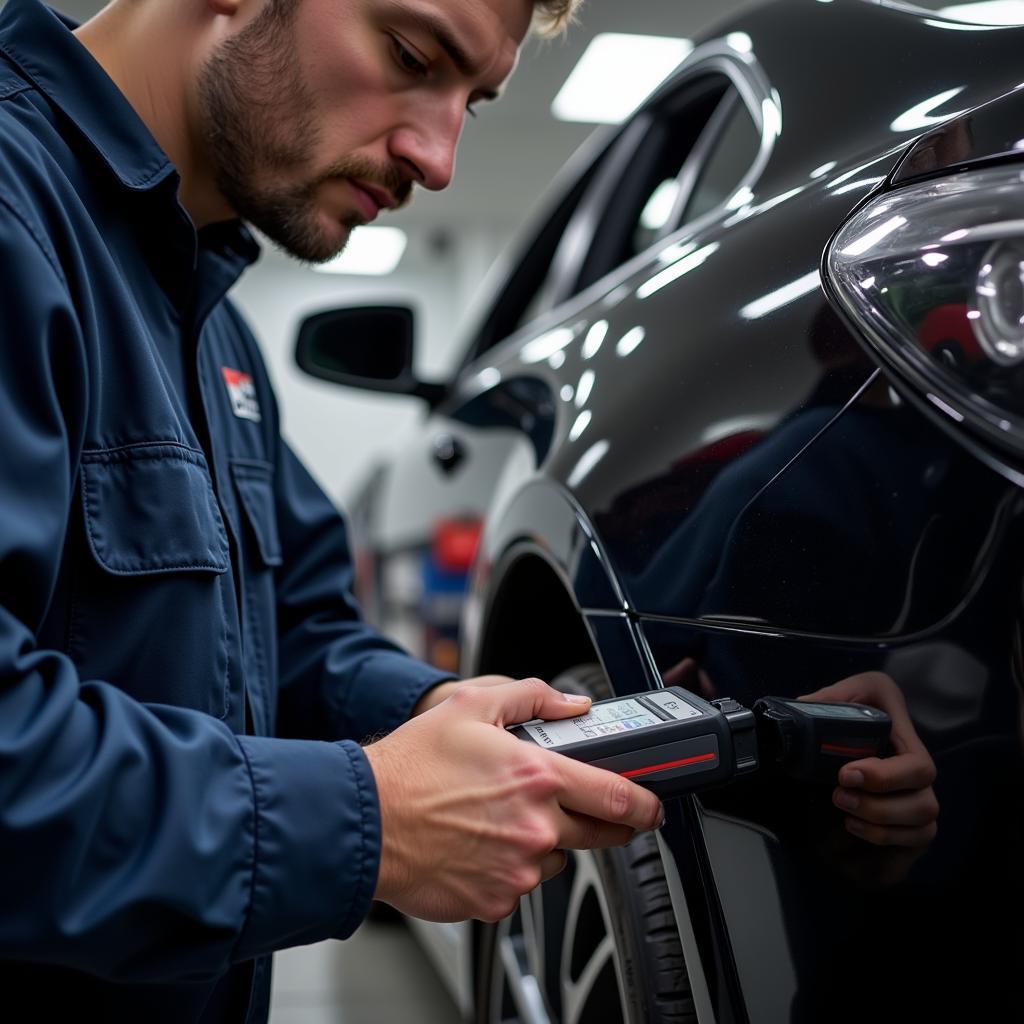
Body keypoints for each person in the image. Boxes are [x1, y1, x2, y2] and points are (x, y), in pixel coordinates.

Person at [0, 1, 936, 1022]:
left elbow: (295, 642)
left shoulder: (213, 331)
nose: (437, 158)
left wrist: (443, 719)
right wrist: (370, 819)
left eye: (471, 105)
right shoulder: (19, 224)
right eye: (409, 55)